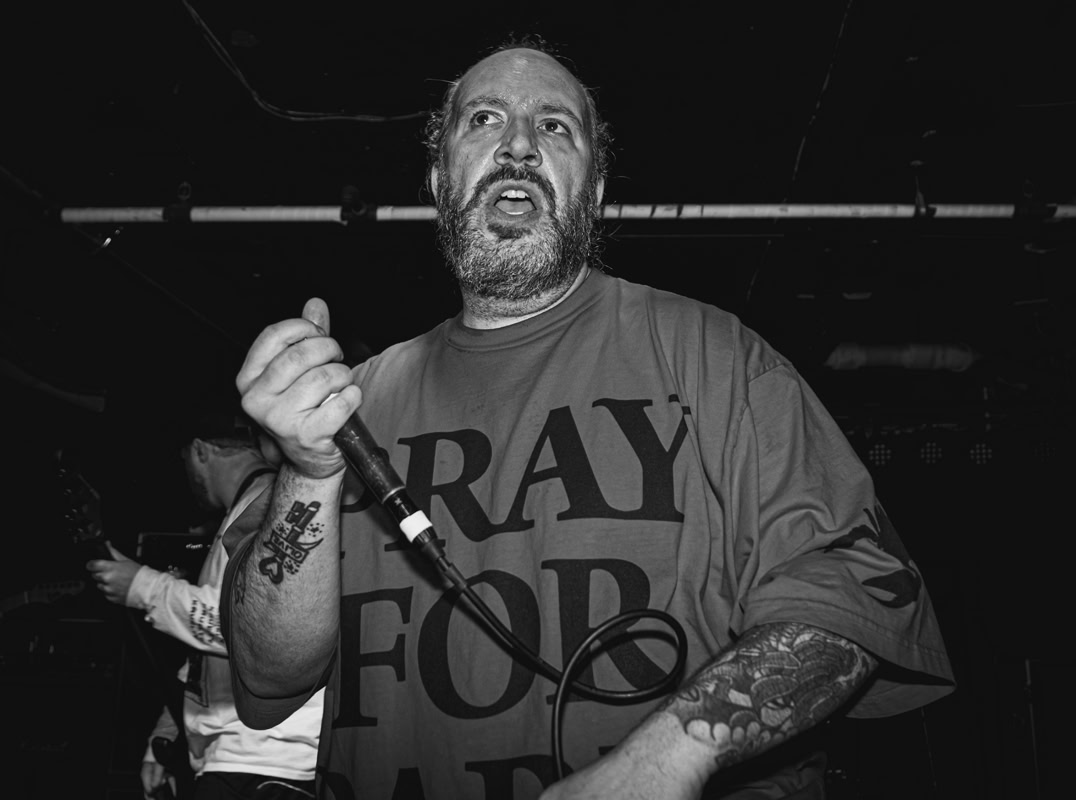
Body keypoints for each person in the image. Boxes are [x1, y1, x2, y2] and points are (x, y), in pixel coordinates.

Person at [220, 39, 955, 800]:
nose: (518, 145)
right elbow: (267, 678)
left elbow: (855, 598)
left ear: (594, 190)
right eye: (484, 119)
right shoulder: (347, 409)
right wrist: (309, 474)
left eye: (554, 126)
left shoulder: (712, 359)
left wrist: (665, 761)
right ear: (439, 181)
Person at [88, 435, 322, 800]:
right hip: (233, 756)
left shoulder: (271, 503)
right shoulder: (242, 509)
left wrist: (144, 587)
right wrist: (168, 734)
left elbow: (255, 628)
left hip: (268, 758)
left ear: (200, 449)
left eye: (183, 458)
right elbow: (206, 657)